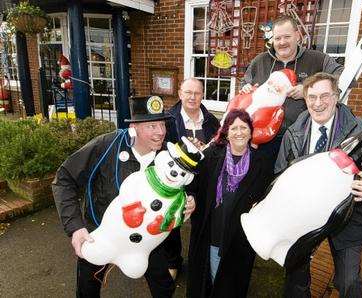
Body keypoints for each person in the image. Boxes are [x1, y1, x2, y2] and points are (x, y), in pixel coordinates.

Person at [52, 96, 196, 298]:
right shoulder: (106, 145)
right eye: (152, 125)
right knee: (87, 289)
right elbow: (64, 178)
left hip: (148, 241)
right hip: (101, 234)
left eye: (162, 124)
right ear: (134, 126)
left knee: (164, 287)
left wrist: (190, 200)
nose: (161, 132)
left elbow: (186, 184)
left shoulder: (168, 155)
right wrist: (75, 227)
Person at [275, 73, 362, 298]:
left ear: (337, 96)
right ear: (305, 100)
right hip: (304, 216)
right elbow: (280, 173)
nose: (318, 103)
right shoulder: (293, 133)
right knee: (295, 277)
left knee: (349, 281)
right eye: (312, 97)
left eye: (325, 96)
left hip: (349, 215)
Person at [186, 109, 273, 298]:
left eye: (244, 127)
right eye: (234, 128)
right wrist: (191, 197)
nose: (239, 132)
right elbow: (192, 182)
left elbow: (267, 196)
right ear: (226, 132)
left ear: (251, 131)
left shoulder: (261, 162)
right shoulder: (211, 155)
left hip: (238, 238)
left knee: (231, 284)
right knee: (208, 278)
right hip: (211, 231)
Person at [241, 15, 345, 167]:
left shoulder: (318, 59)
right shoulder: (260, 61)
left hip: (300, 141)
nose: (282, 42)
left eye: (287, 37)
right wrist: (246, 88)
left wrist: (308, 89)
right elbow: (245, 85)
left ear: (297, 36)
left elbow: (343, 77)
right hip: (261, 139)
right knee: (260, 183)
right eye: (277, 38)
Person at [165, 77, 220, 279]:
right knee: (173, 223)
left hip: (203, 180)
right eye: (188, 92)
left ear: (202, 95)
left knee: (202, 221)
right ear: (180, 93)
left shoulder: (212, 121)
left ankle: (199, 260)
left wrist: (205, 149)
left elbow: (219, 148)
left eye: (197, 93)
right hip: (177, 180)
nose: (192, 97)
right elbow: (163, 149)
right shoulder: (169, 119)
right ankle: (173, 261)